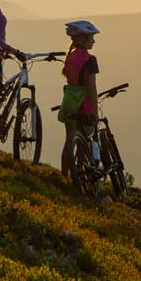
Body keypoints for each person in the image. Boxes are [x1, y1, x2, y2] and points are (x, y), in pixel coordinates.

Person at [60, 20, 101, 175]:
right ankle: (81, 177)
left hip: (69, 102)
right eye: (91, 37)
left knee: (69, 142)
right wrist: (95, 112)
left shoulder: (70, 56)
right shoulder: (90, 60)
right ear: (83, 39)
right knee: (84, 142)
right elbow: (91, 87)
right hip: (84, 104)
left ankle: (64, 176)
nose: (94, 41)